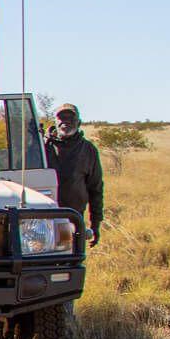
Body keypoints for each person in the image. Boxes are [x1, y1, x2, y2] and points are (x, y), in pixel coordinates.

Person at [46, 104, 105, 246]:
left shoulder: (88, 150)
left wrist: (95, 225)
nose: (65, 122)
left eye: (70, 118)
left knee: (70, 261)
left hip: (73, 218)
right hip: (42, 219)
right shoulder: (43, 146)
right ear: (55, 122)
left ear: (79, 123)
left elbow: (96, 189)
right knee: (45, 262)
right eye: (61, 118)